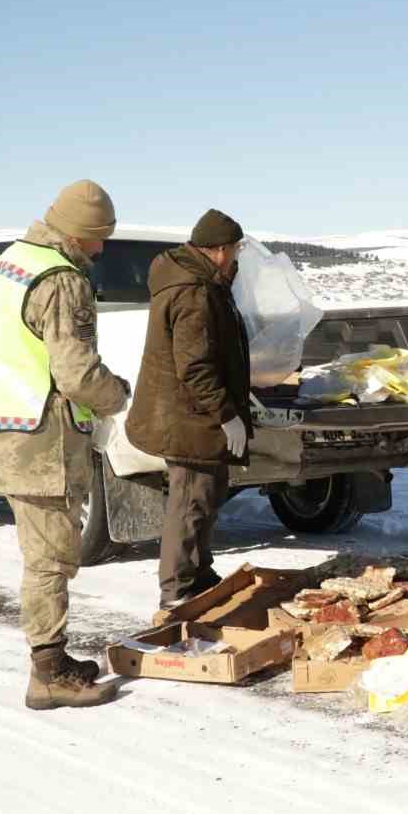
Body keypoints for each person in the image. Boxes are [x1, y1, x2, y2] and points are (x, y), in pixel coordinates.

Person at [0, 179, 131, 710]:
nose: (102, 249)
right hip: (42, 440)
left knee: (40, 553)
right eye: (99, 238)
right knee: (48, 560)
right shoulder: (61, 281)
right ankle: (48, 674)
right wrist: (118, 395)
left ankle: (54, 660)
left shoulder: (6, 266)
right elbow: (77, 374)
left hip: (1, 429)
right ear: (80, 233)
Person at [126, 209, 253, 610]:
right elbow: (194, 366)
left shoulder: (204, 282)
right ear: (217, 250)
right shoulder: (193, 293)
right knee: (190, 502)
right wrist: (226, 414)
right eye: (233, 251)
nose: (235, 258)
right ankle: (177, 589)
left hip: (191, 414)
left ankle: (198, 573)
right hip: (185, 416)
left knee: (207, 493)